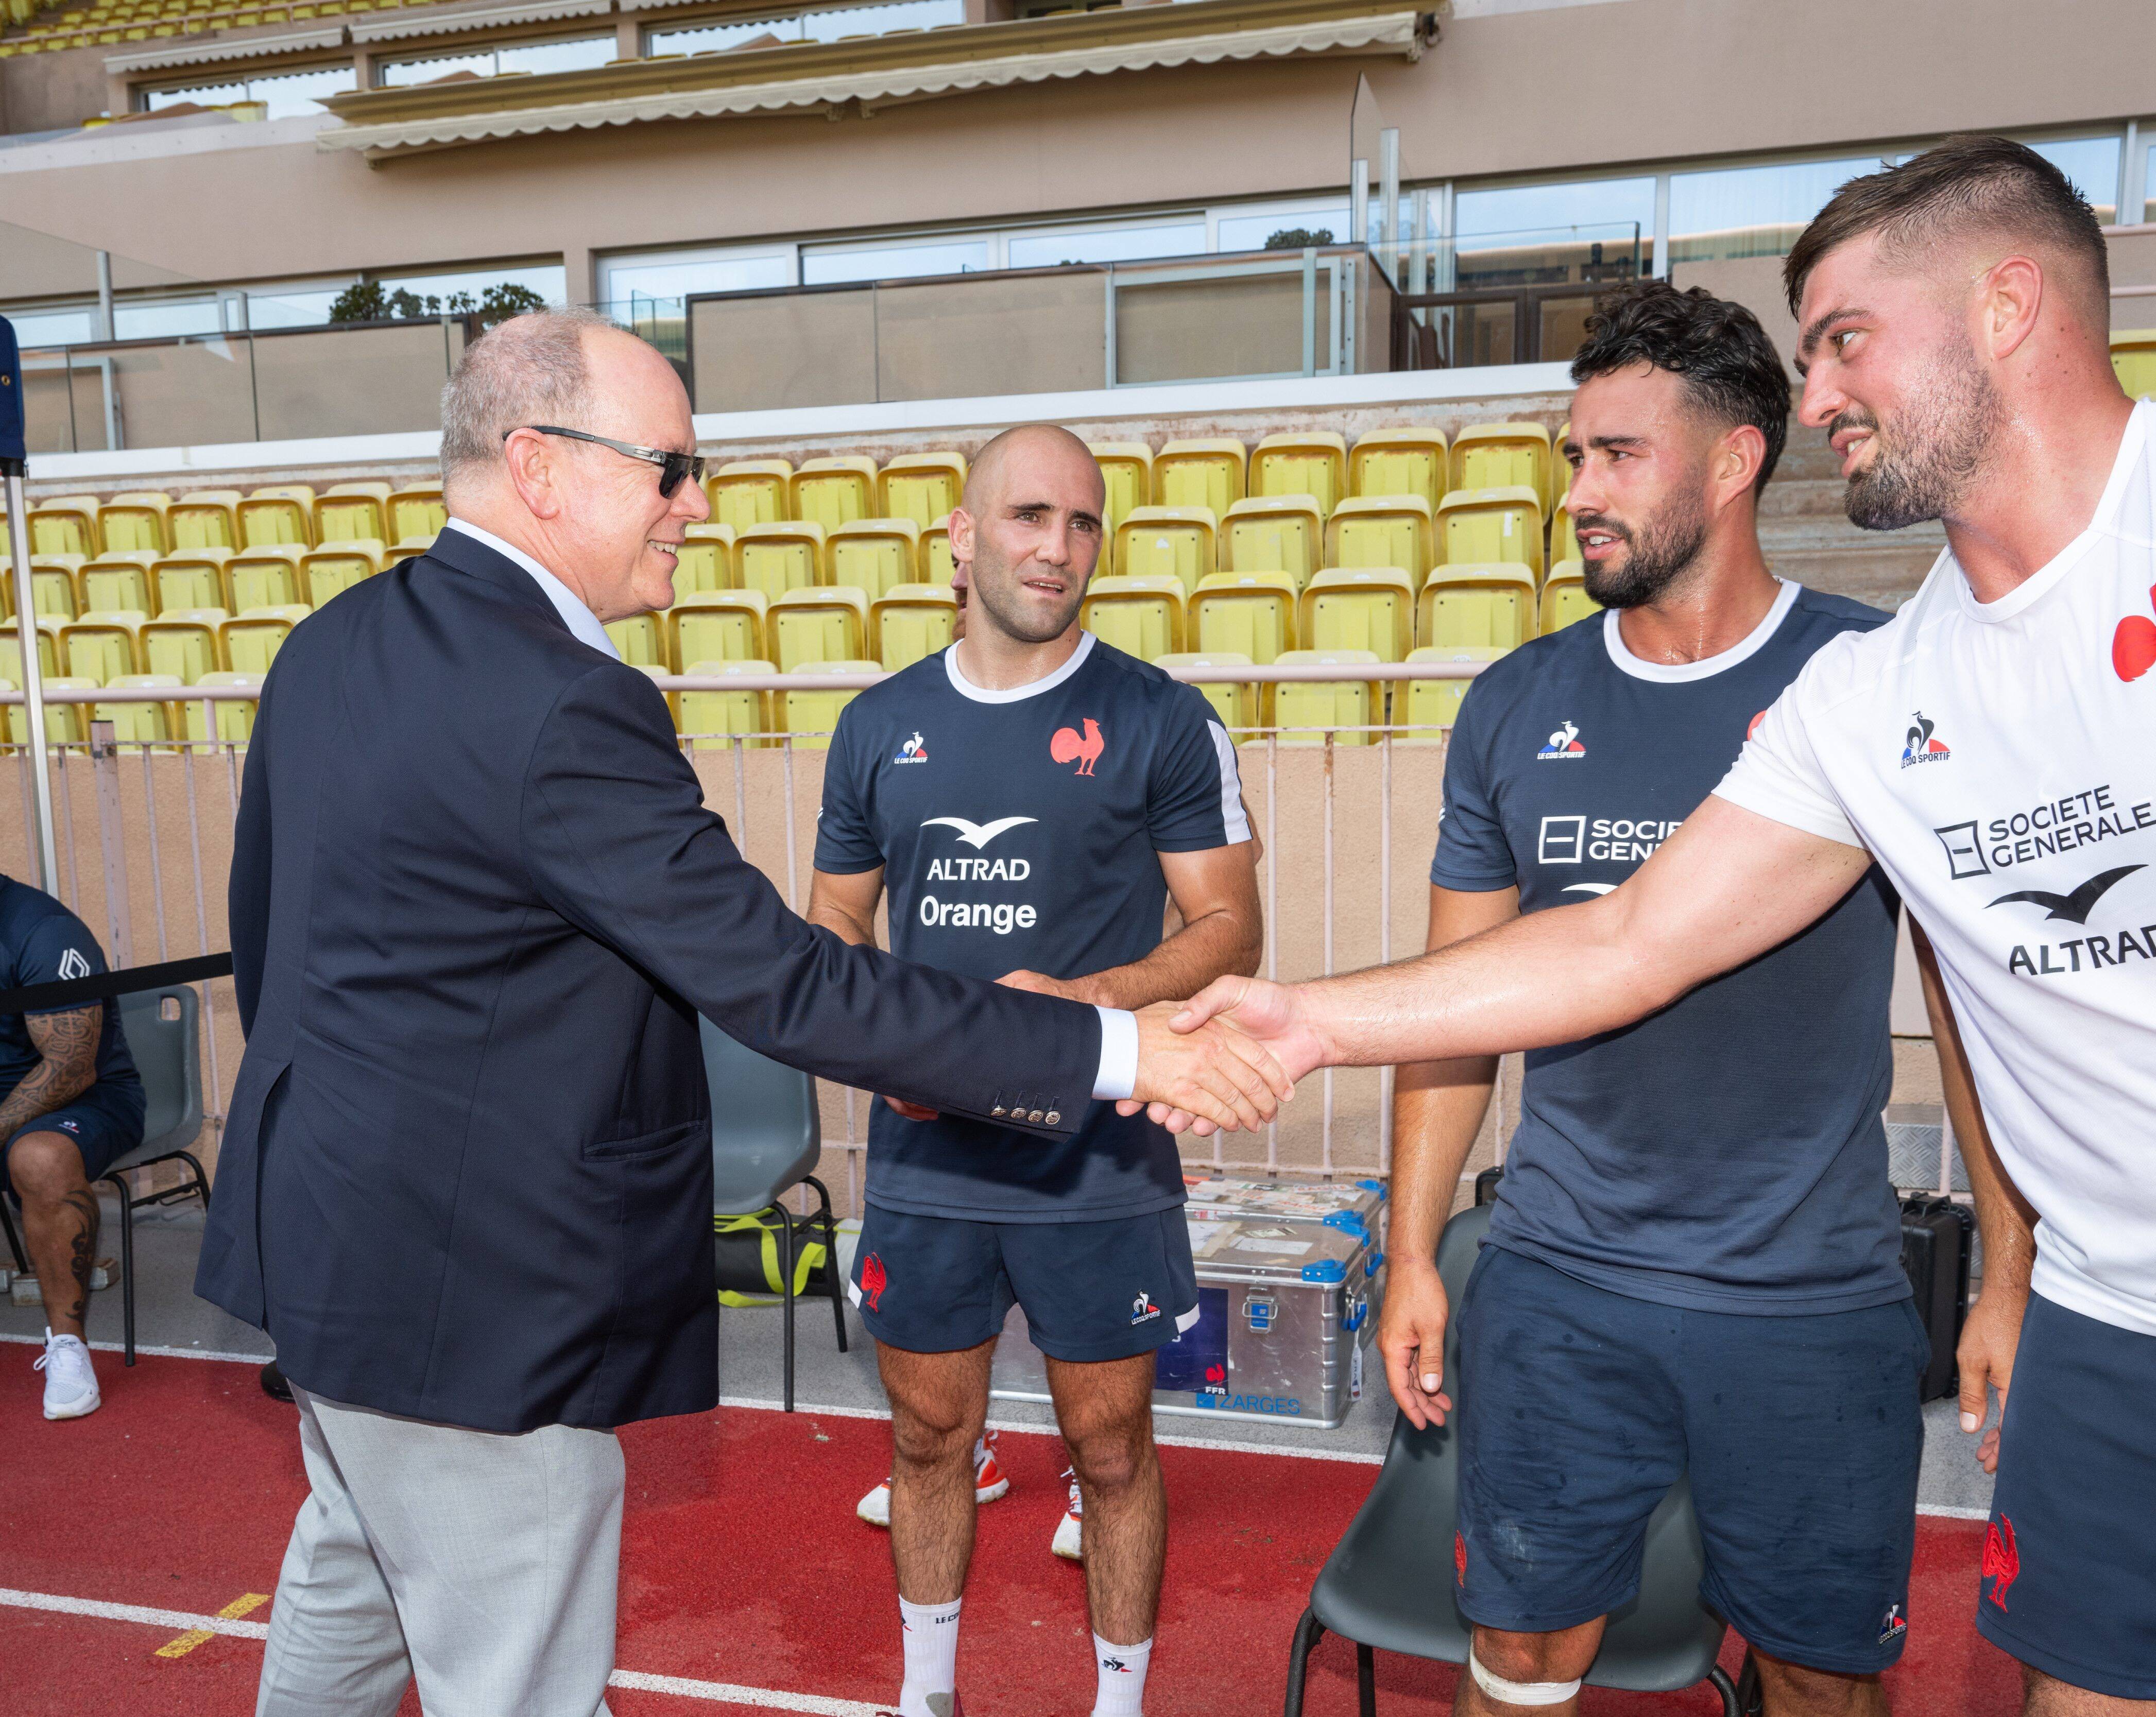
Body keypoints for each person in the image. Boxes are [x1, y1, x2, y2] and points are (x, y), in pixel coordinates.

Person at [1161, 136, 2156, 1716]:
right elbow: (1626, 939)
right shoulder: (1876, 693)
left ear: (2004, 305)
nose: (1819, 390)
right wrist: (1308, 1018)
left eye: (1844, 338)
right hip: (2126, 1351)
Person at [195, 313, 1287, 1717]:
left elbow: (270, 941)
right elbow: (790, 975)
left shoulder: (331, 641)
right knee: (520, 1680)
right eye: (670, 468)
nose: (696, 504)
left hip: (332, 1256)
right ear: (539, 465)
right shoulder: (564, 700)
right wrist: (1123, 1045)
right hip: (479, 1300)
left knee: (345, 1592)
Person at [1381, 280, 1971, 1716]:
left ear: (1735, 458)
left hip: (1812, 1293)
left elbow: (1971, 1002)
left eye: (1619, 454)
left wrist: (2005, 1256)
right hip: (1563, 1278)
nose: (1579, 490)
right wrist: (1410, 1250)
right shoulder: (1515, 704)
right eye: (1575, 454)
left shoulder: (1869, 677)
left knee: (1826, 1674)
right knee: (1522, 1654)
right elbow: (1455, 1006)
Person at [811, 424, 1261, 1717]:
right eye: (1025, 517)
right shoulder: (878, 725)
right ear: (959, 536)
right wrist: (881, 1041)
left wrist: (1079, 1007)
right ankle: (927, 1696)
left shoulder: (1163, 718)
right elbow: (834, 926)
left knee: (1111, 1450)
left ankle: (1115, 1703)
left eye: (1080, 524)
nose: (1055, 547)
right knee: (925, 1439)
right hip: (927, 1158)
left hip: (1100, 1159)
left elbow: (1228, 929)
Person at [0, 873, 144, 1421]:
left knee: (38, 1157)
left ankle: (67, 1345)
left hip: (85, 1099)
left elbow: (70, 1065)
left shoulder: (42, 929)